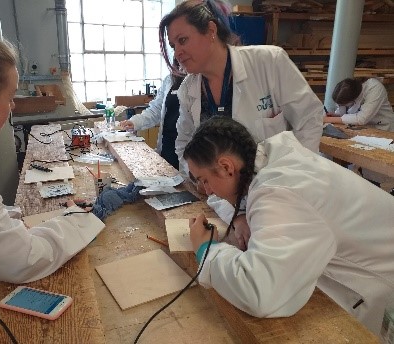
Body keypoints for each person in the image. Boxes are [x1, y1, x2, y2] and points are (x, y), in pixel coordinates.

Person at [0, 21, 102, 343]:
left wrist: (12, 220)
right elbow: (21, 260)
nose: (13, 106)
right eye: (10, 97)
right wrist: (76, 221)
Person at [184, 116, 394, 336]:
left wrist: (207, 250)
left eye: (205, 180)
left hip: (383, 290)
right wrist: (243, 216)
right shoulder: (275, 162)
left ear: (227, 167)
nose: (206, 190)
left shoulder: (280, 191)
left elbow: (261, 293)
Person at [158, 0, 323, 223]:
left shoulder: (268, 62)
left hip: (285, 194)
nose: (177, 52)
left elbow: (310, 119)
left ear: (211, 30)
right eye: (173, 45)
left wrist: (289, 185)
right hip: (226, 203)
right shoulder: (189, 89)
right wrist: (233, 213)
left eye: (183, 40)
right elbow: (185, 149)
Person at [120, 62, 185, 170]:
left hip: (188, 150)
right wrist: (135, 122)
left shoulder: (199, 80)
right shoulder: (170, 80)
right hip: (167, 146)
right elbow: (156, 109)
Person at [324, 77, 394, 131]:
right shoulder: (351, 92)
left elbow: (361, 118)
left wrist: (327, 119)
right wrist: (336, 115)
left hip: (383, 128)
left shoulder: (374, 88)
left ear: (354, 99)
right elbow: (348, 109)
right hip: (364, 129)